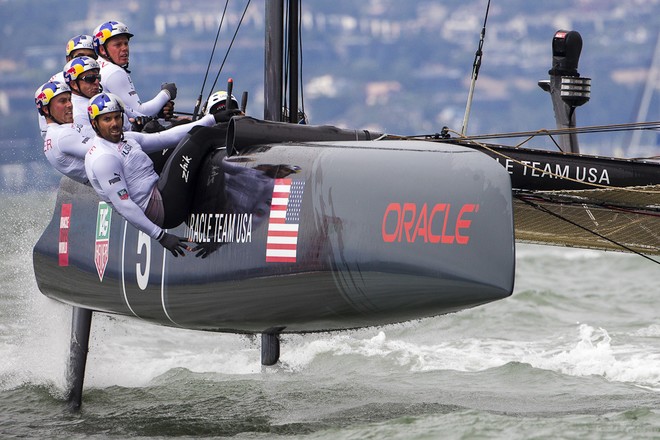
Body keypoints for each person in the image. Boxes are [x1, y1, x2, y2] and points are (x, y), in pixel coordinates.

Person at [85, 92, 236, 256]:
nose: (115, 124)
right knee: (202, 137)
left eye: (117, 117)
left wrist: (212, 119)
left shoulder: (125, 139)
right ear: (95, 124)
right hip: (162, 209)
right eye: (107, 119)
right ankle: (249, 135)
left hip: (159, 191)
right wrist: (161, 236)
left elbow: (165, 138)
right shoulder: (104, 158)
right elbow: (124, 205)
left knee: (185, 138)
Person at [92, 20, 175, 127]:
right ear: (102, 49)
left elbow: (129, 111)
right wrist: (166, 93)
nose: (124, 48)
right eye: (118, 45)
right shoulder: (114, 72)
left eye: (126, 43)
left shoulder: (97, 67)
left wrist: (158, 112)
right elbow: (141, 113)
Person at [39, 35, 98, 138]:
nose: (84, 60)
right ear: (68, 59)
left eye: (90, 56)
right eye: (79, 56)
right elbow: (45, 128)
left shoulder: (99, 77)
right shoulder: (56, 81)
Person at [35, 80, 92, 184]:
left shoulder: (53, 134)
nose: (70, 104)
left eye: (69, 100)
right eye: (62, 101)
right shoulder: (62, 135)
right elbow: (105, 150)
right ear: (46, 109)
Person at [63, 56, 103, 136]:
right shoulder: (78, 114)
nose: (96, 82)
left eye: (97, 77)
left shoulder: (96, 97)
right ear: (74, 84)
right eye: (90, 78)